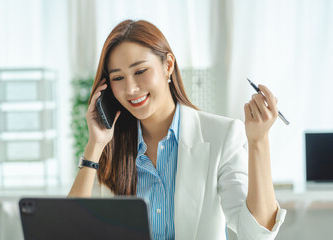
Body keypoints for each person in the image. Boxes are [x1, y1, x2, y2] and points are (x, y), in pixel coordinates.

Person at [68, 19, 286, 240]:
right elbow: (71, 231)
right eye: (118, 78)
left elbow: (256, 235)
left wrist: (259, 142)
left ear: (168, 65)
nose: (131, 88)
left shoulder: (221, 135)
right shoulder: (108, 147)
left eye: (140, 71)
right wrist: (95, 144)